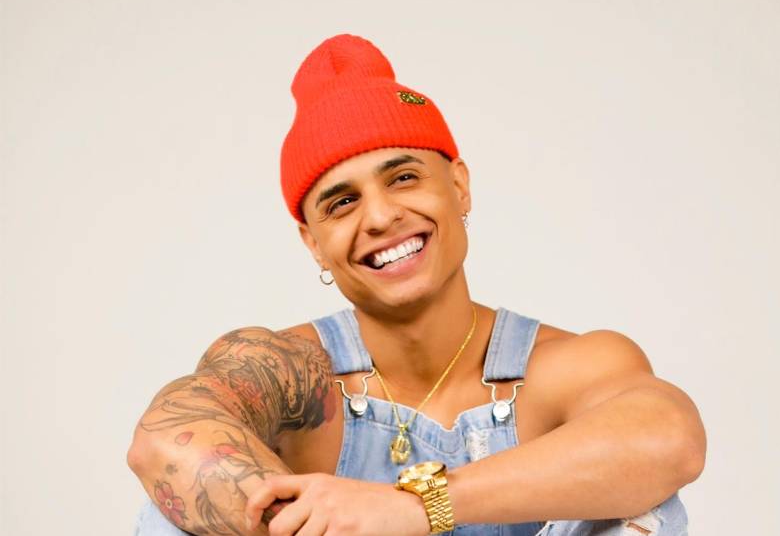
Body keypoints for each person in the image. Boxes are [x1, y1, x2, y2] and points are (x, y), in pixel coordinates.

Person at [127, 33, 706, 536]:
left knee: (644, 504)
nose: (380, 217)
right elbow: (165, 439)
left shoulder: (568, 367)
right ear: (313, 242)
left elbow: (668, 438)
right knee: (181, 510)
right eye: (342, 202)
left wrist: (416, 507)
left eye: (403, 178)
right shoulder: (286, 368)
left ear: (459, 187)